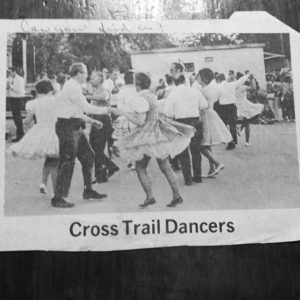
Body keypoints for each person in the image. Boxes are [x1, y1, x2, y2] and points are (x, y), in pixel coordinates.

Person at [113, 72, 195, 208]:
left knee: (140, 167)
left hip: (146, 134)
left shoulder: (140, 98)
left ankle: (150, 197)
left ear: (136, 84)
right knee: (165, 167)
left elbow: (140, 121)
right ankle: (177, 196)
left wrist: (123, 113)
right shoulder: (151, 95)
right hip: (157, 131)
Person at [51, 62, 113, 208]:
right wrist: (107, 110)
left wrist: (91, 120)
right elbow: (85, 107)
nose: (87, 76)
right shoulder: (72, 86)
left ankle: (88, 190)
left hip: (74, 125)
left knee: (88, 155)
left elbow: (76, 111)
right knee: (68, 161)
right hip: (67, 127)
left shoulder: (73, 86)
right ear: (79, 73)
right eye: (85, 73)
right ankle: (58, 198)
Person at [8, 79, 59, 195]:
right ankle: (56, 193)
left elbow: (27, 121)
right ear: (50, 90)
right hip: (54, 131)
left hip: (40, 131)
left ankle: (43, 182)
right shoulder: (55, 100)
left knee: (49, 158)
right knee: (55, 161)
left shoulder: (33, 103)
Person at [166, 74, 208, 184]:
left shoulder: (172, 94)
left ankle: (188, 179)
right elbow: (204, 106)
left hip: (180, 123)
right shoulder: (195, 91)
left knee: (183, 152)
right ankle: (198, 176)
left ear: (175, 83)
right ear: (185, 81)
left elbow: (169, 113)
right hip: (195, 121)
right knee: (196, 150)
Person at [196, 68, 231, 177]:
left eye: (199, 76)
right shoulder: (209, 88)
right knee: (207, 143)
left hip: (205, 115)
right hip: (210, 114)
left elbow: (201, 105)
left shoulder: (204, 90)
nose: (197, 77)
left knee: (200, 145)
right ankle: (212, 169)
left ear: (204, 78)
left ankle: (217, 163)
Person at [87, 71, 119, 183]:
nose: (91, 80)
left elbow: (102, 98)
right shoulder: (96, 90)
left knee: (97, 148)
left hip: (103, 121)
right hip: (96, 120)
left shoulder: (105, 90)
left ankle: (103, 172)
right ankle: (106, 169)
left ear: (100, 80)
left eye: (93, 78)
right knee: (93, 147)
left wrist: (85, 96)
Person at [216, 72, 250, 149]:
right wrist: (247, 75)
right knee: (232, 125)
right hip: (232, 106)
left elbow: (216, 97)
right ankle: (234, 141)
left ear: (219, 80)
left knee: (224, 125)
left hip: (223, 106)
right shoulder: (231, 84)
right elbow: (240, 81)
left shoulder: (219, 86)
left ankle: (228, 140)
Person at [235, 73, 264, 146]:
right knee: (259, 109)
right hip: (244, 105)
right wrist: (252, 79)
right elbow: (253, 88)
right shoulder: (243, 87)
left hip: (238, 106)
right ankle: (245, 136)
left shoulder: (234, 87)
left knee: (247, 122)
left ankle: (242, 132)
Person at [7, 67, 25, 142]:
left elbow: (19, 90)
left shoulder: (19, 79)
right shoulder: (12, 79)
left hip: (18, 99)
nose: (9, 74)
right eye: (8, 72)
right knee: (15, 118)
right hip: (13, 99)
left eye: (10, 72)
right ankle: (19, 134)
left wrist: (10, 86)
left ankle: (20, 135)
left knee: (18, 118)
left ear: (14, 71)